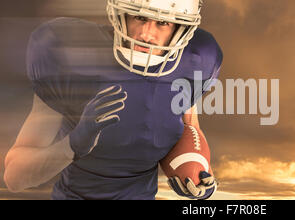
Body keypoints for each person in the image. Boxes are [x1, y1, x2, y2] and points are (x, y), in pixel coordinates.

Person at [3, 0, 222, 200]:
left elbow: (186, 128)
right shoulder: (69, 57)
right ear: (120, 13)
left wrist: (197, 170)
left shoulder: (193, 63)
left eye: (163, 22)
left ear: (181, 29)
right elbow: (14, 178)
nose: (146, 35)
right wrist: (71, 146)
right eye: (140, 17)